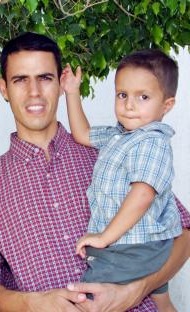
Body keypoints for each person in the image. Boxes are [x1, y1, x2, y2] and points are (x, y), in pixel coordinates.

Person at [0, 32, 190, 311]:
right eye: (20, 79)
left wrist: (135, 290)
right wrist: (33, 303)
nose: (34, 92)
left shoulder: (112, 151)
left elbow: (182, 231)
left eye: (45, 78)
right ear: (3, 88)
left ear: (61, 84)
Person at [61, 49, 182, 311]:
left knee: (86, 299)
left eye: (144, 97)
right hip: (144, 246)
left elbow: (142, 195)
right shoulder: (121, 135)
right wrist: (72, 93)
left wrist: (104, 238)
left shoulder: (151, 141)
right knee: (161, 301)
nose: (129, 104)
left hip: (131, 248)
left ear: (166, 104)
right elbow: (82, 133)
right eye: (122, 95)